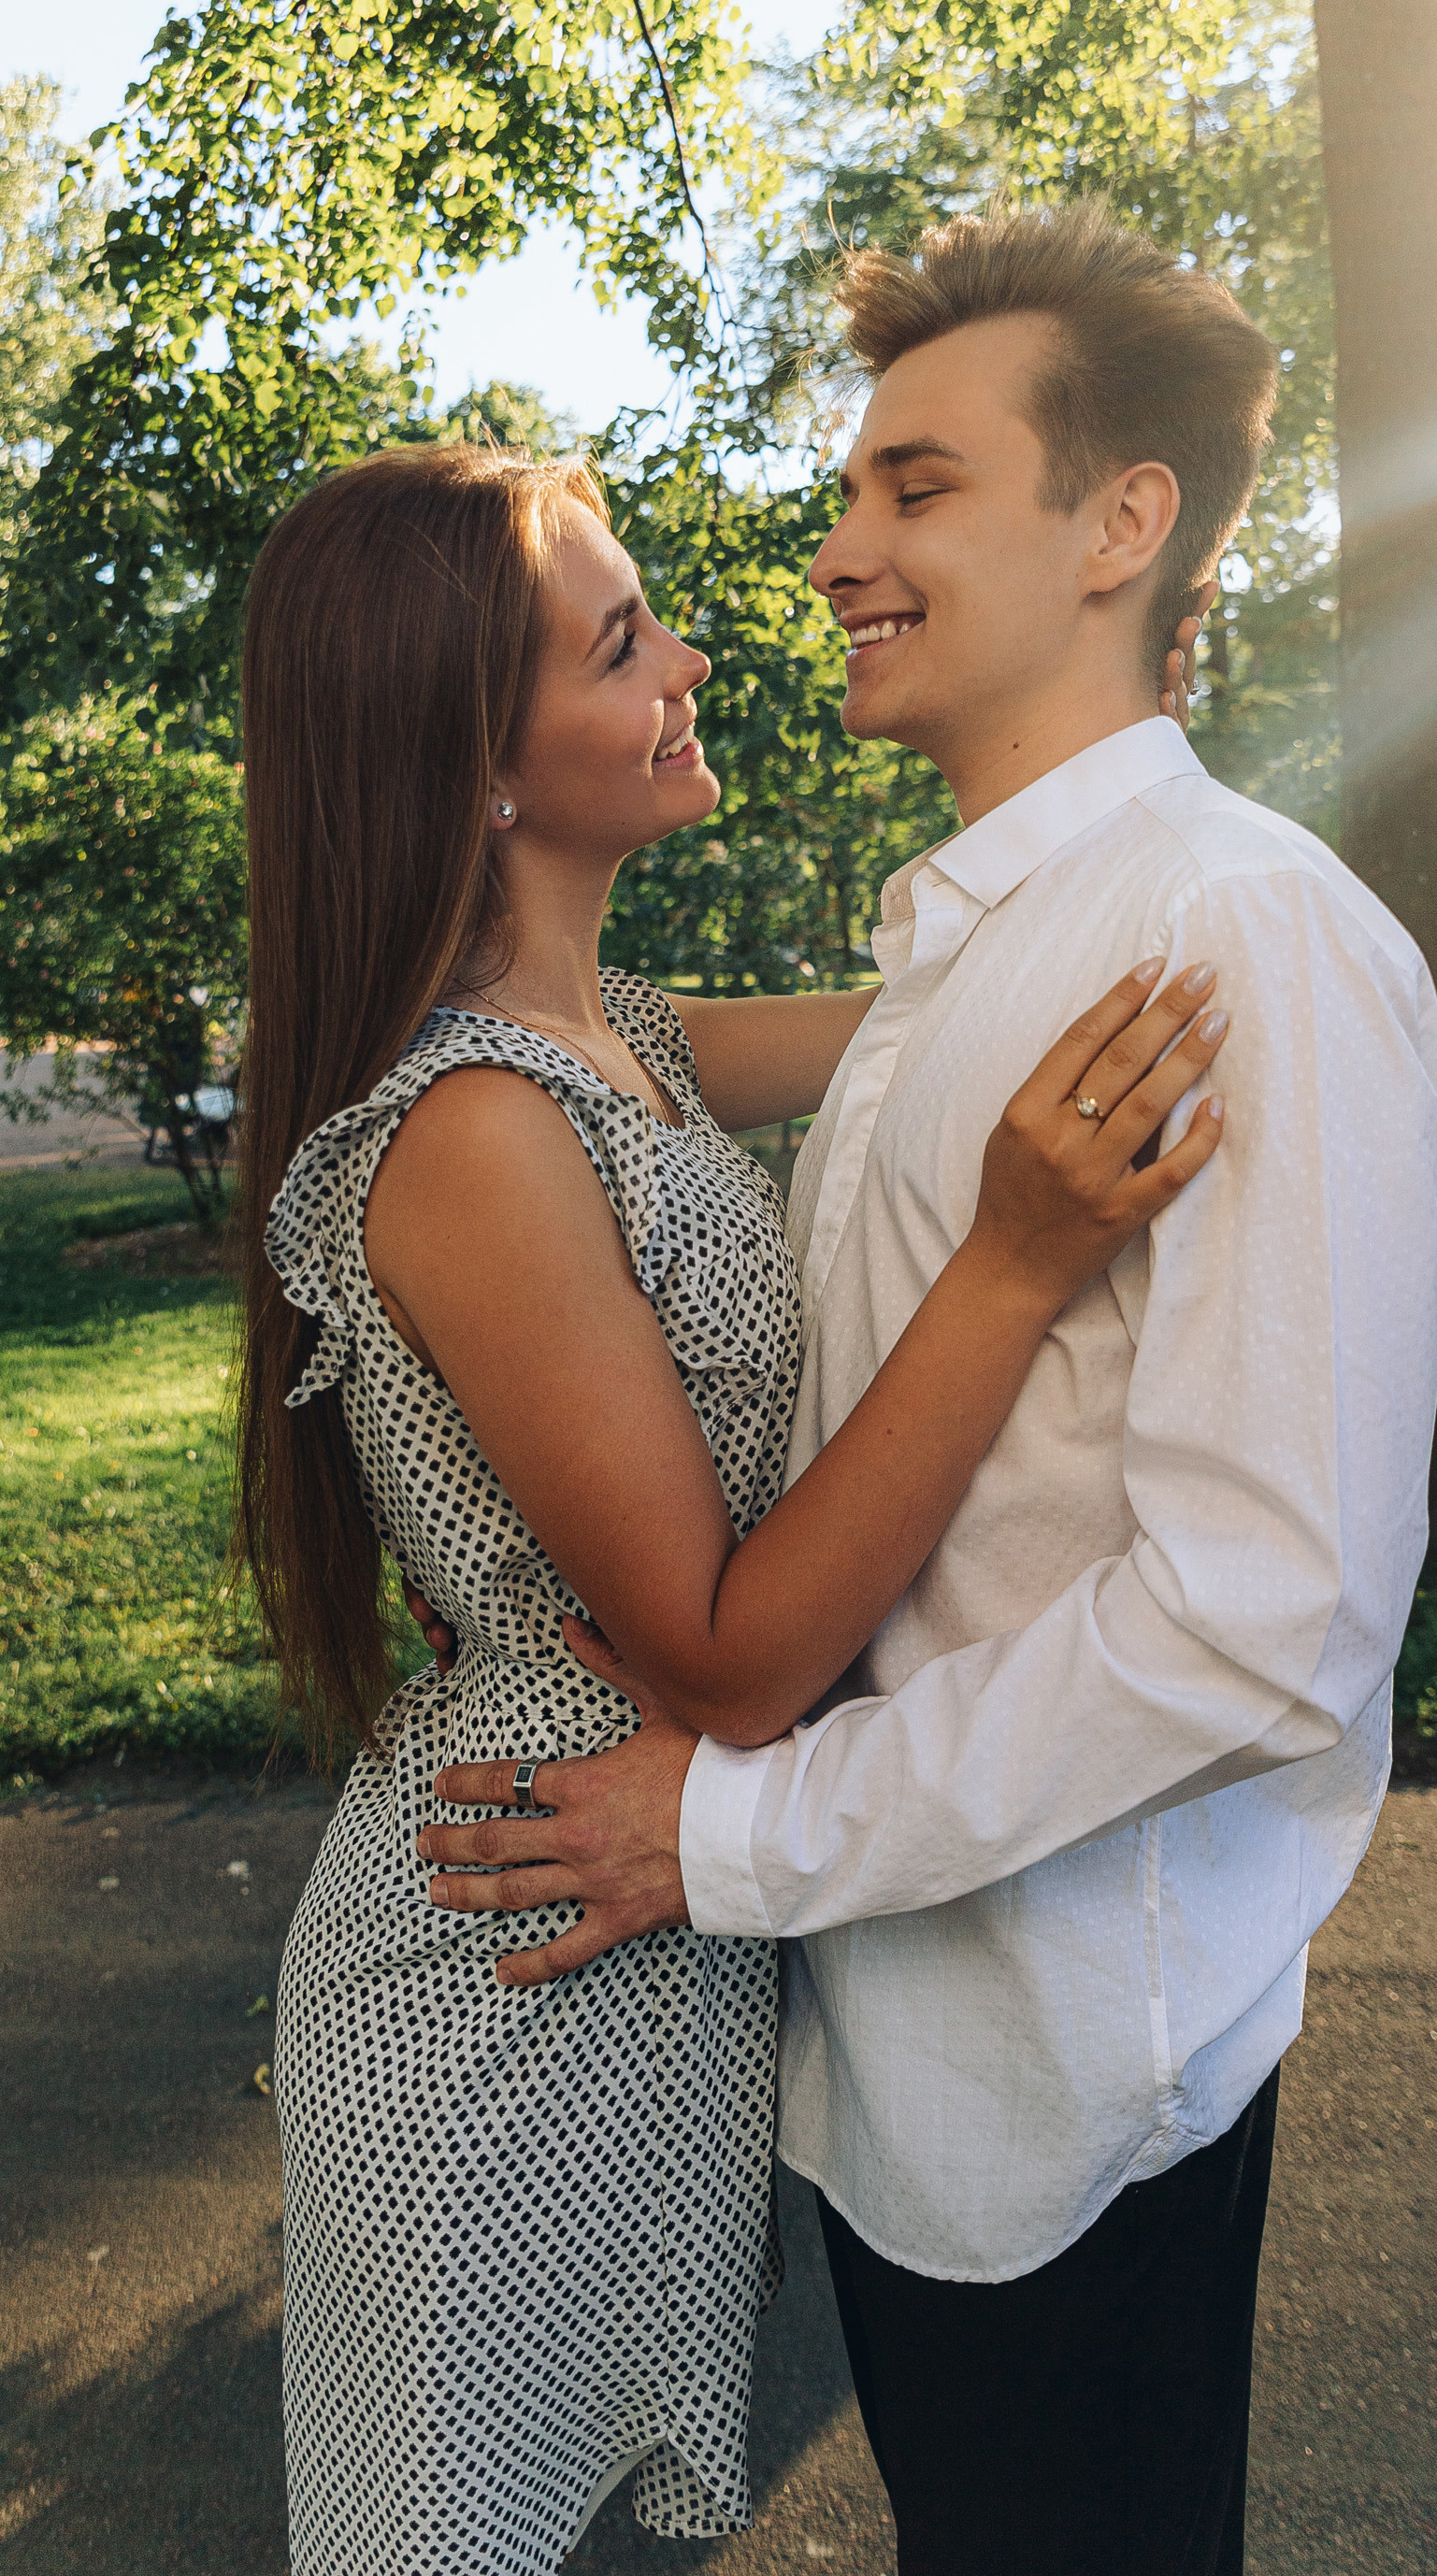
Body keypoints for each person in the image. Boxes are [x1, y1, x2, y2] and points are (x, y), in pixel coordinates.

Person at [419, 202, 1437, 2574]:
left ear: (1121, 527)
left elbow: (1260, 1611)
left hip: (1070, 2070)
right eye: (849, 491)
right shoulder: (957, 954)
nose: (831, 549)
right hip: (906, 2040)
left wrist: (732, 1833)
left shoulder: (1234, 936)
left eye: (913, 487)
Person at [235, 435, 1227, 2576]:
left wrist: (1165, 826)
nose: (690, 656)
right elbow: (737, 1656)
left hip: (659, 1927)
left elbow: (946, 1021)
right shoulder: (477, 1125)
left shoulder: (626, 1045)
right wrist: (1016, 1261)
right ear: (471, 760)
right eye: (620, 642)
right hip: (504, 1976)